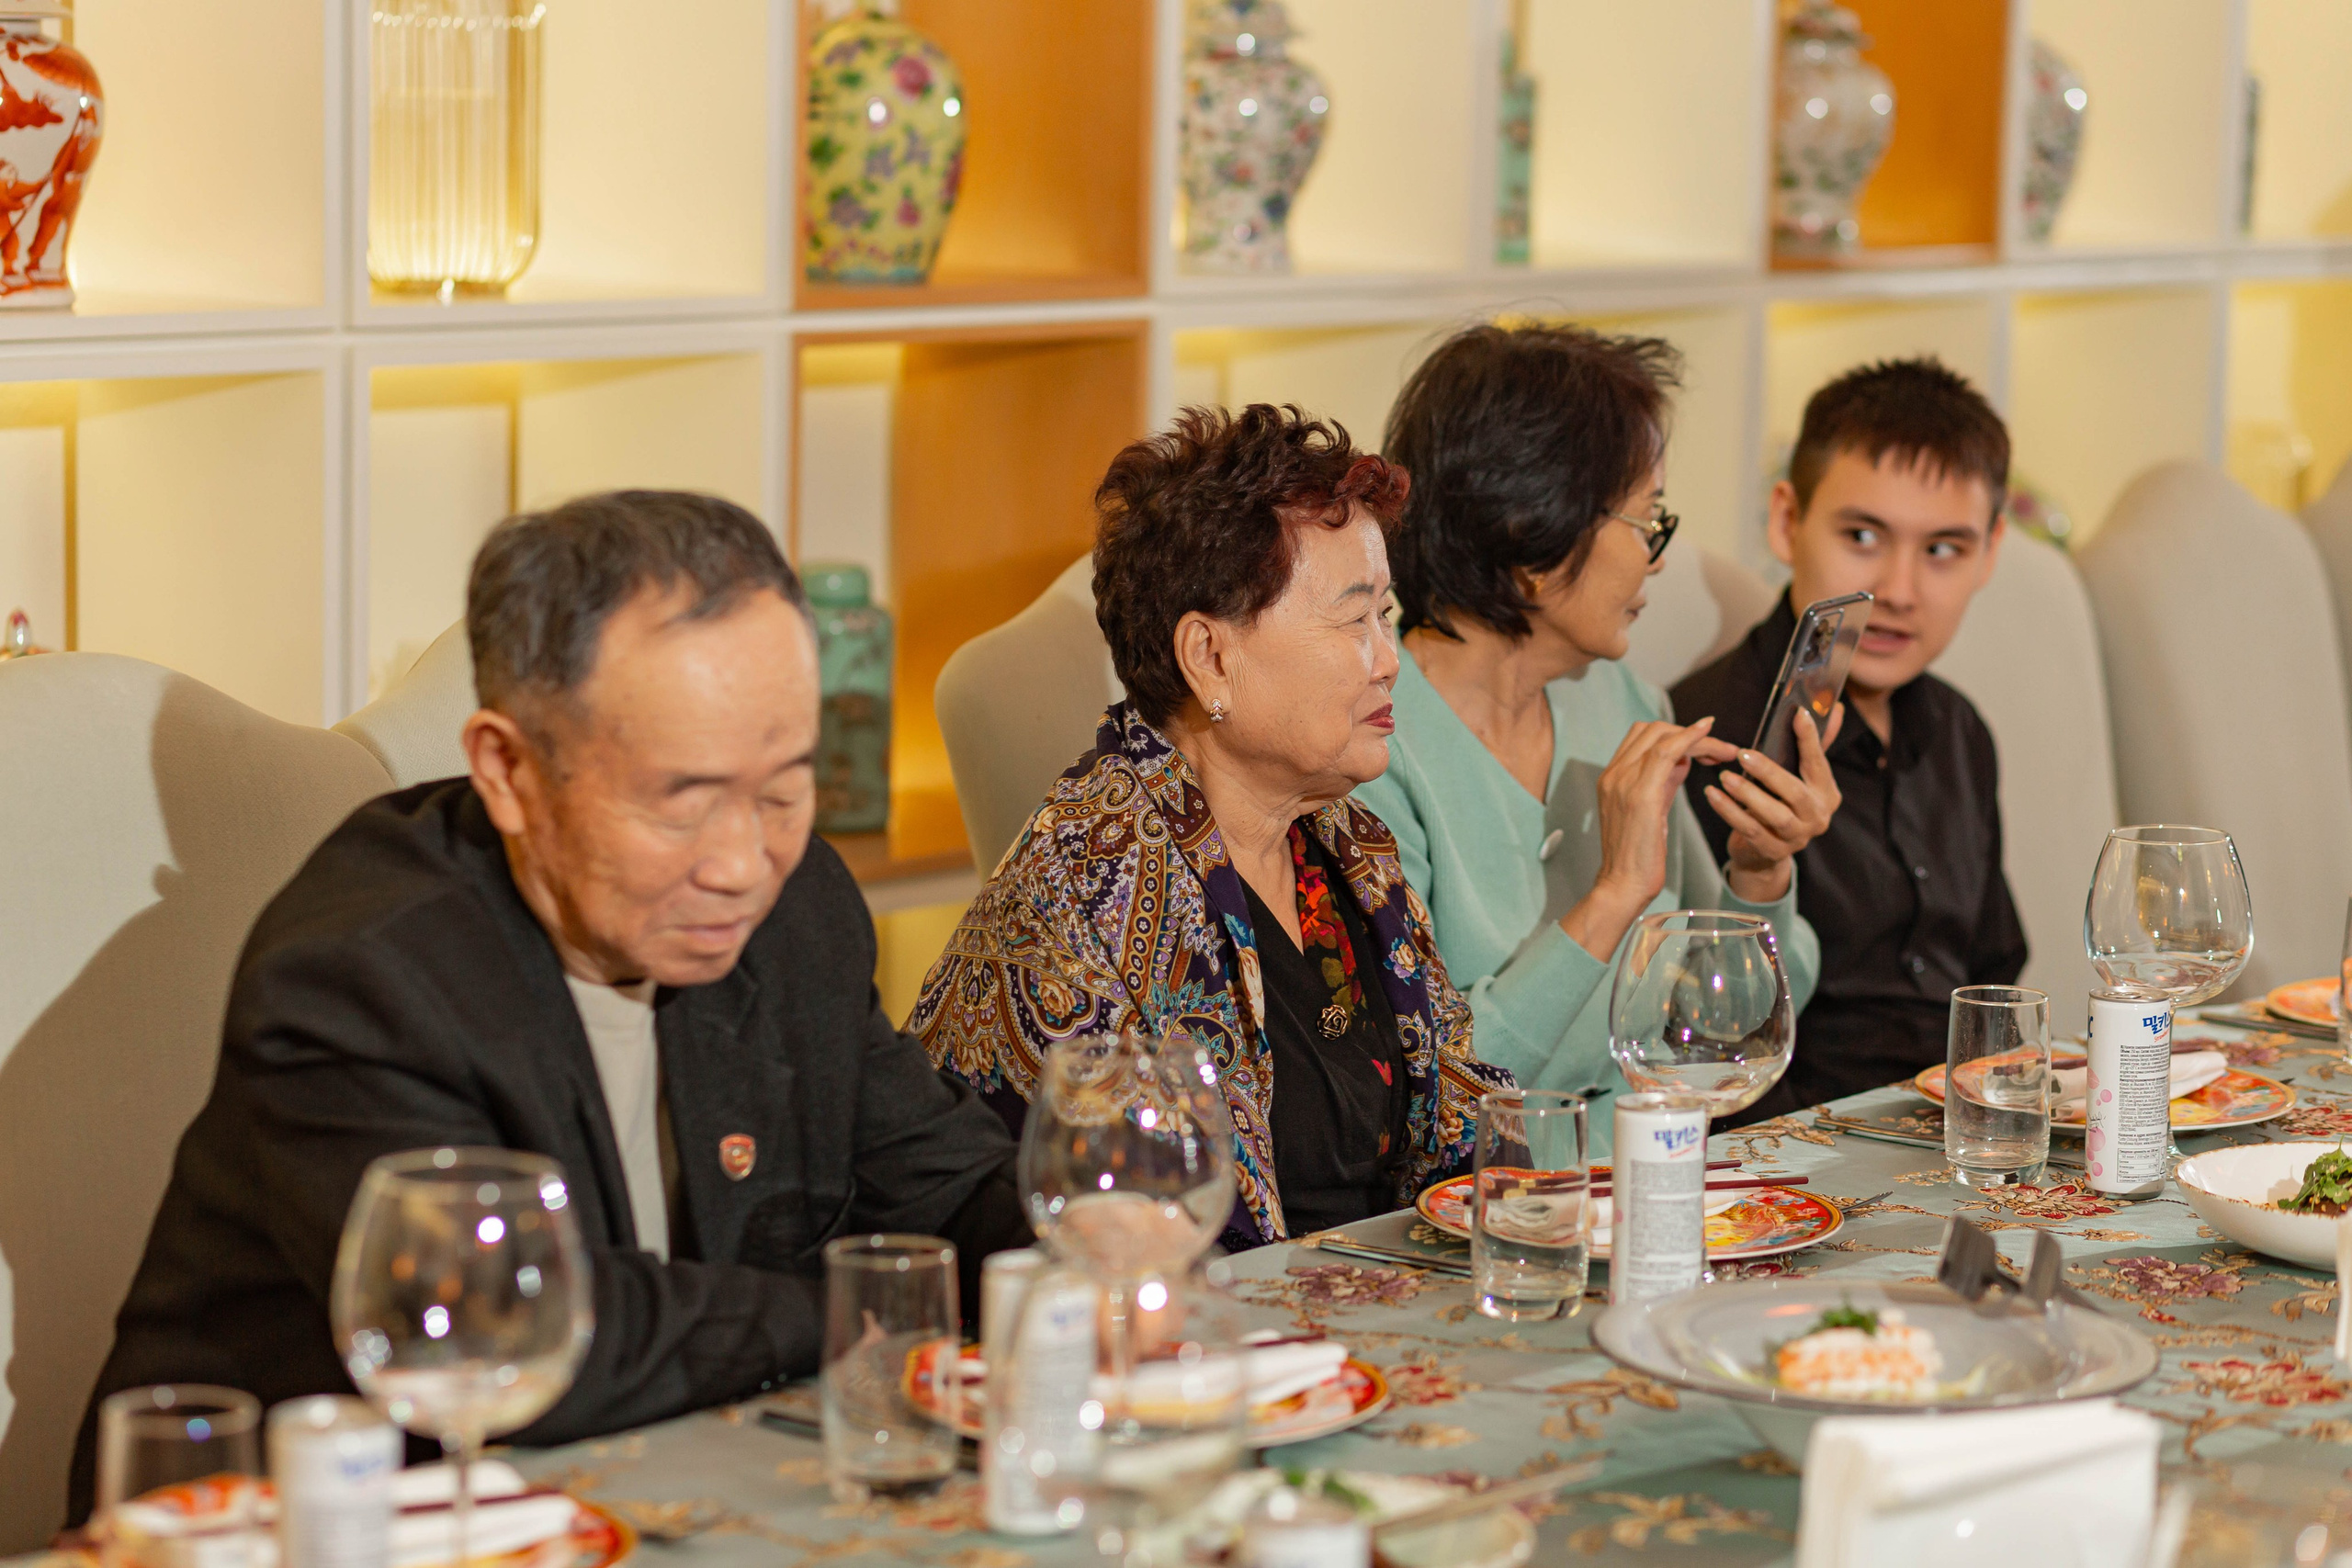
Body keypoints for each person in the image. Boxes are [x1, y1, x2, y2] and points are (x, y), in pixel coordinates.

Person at [68, 491, 1030, 1525]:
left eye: (783, 791)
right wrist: (861, 1314)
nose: (744, 863)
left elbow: (941, 1185)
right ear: (509, 771)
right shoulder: (358, 977)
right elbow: (517, 1337)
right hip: (317, 1528)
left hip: (661, 1496)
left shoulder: (797, 915)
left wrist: (1090, 1240)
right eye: (683, 801)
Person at [910, 404, 1513, 1249]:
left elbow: (1459, 1120)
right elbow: (1133, 1237)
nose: (1389, 660)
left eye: (1387, 615)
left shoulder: (1346, 845)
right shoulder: (1084, 889)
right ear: (1210, 657)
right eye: (1355, 620)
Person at [1353, 322, 1836, 1147]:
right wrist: (1613, 897)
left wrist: (1760, 872)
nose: (1657, 558)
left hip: (1659, 1175)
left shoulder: (1621, 700)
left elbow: (1724, 1033)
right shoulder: (1374, 746)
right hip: (1486, 1205)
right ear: (1532, 537)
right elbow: (1441, 1095)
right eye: (1647, 520)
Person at [1672, 357, 2026, 1122]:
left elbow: (1995, 981)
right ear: (1786, 520)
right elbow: (1701, 1051)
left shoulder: (1960, 728)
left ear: (1992, 549)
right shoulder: (1710, 739)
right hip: (1798, 1150)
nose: (1899, 590)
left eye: (1943, 549)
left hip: (1967, 1133)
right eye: (1863, 535)